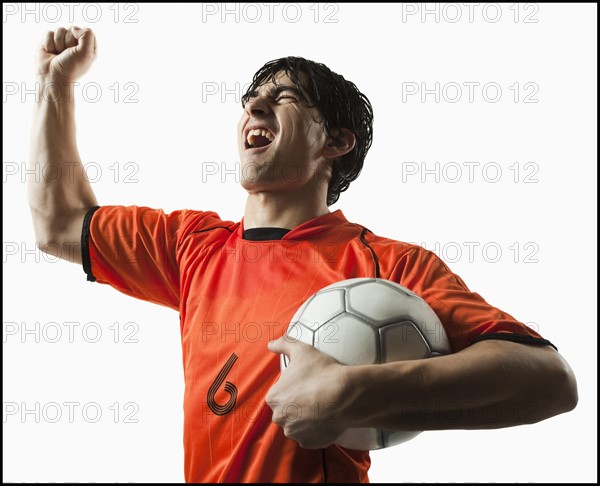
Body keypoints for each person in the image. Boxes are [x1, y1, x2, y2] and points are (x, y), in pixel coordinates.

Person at [28, 26, 578, 483]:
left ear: (335, 142)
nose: (254, 106)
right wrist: (55, 84)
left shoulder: (389, 266)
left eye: (284, 97)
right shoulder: (192, 246)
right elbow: (58, 224)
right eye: (251, 100)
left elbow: (548, 378)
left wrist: (353, 391)